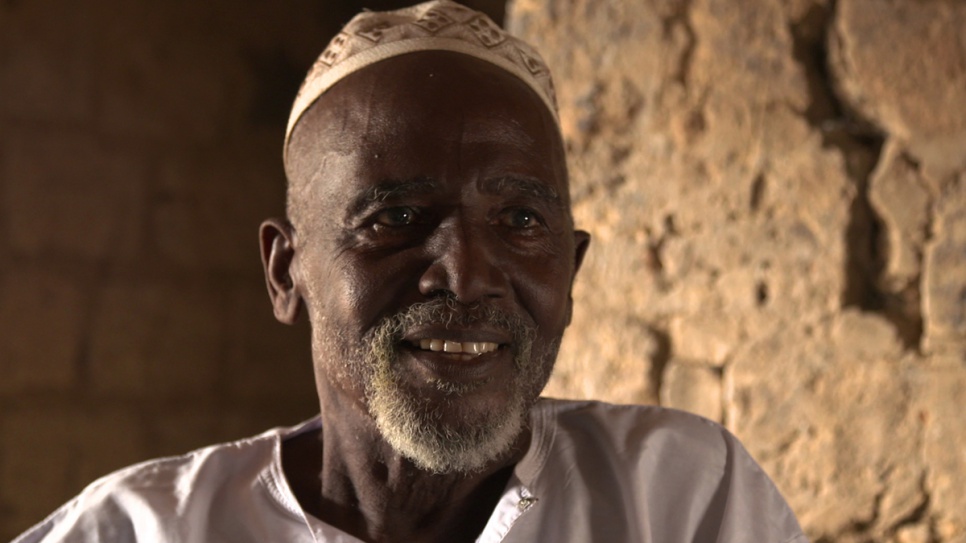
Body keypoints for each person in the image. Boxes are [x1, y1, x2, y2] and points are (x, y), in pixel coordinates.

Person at [14, 1, 808, 542]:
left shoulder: (682, 501)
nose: (466, 274)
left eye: (521, 222)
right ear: (286, 273)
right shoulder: (139, 531)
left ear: (572, 269)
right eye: (394, 219)